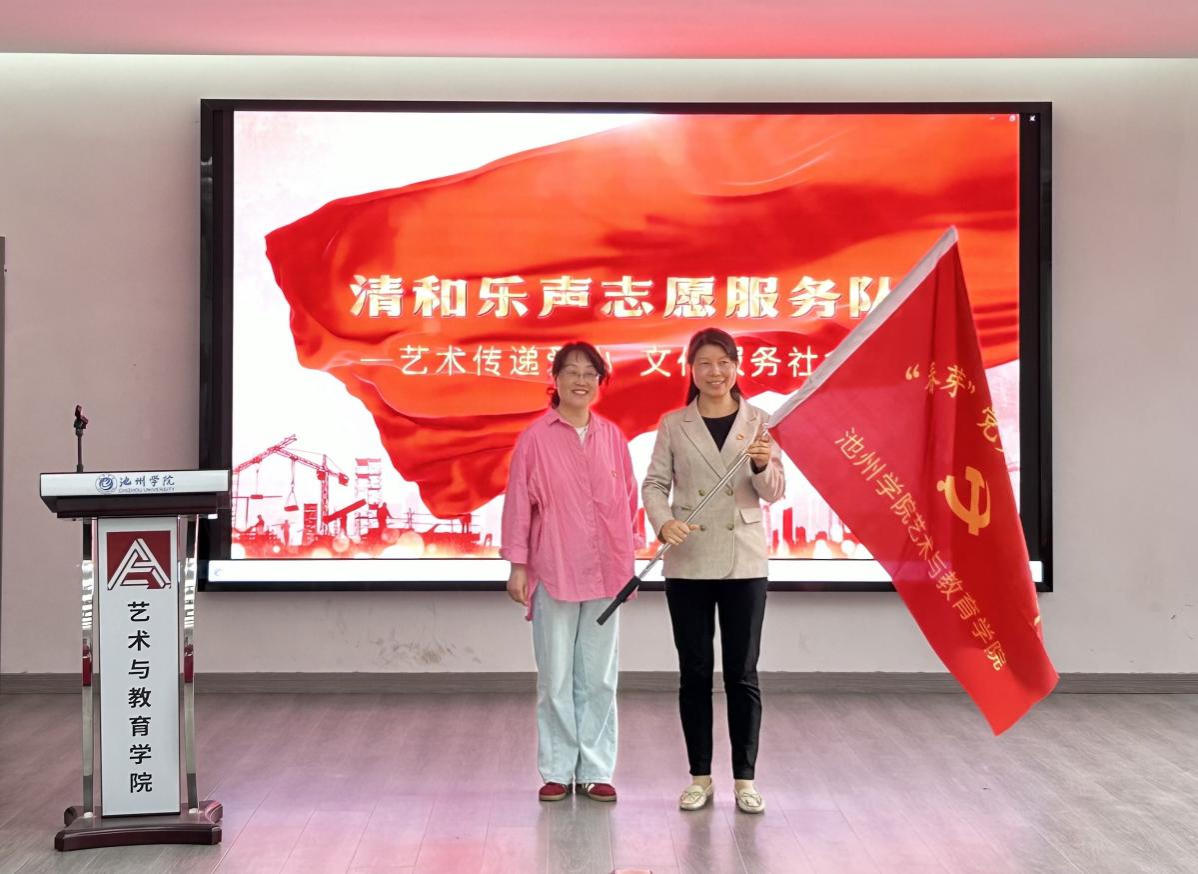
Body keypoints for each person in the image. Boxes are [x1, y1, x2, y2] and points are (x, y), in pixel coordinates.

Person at [642, 327, 785, 815]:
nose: (715, 372)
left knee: (742, 674)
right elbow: (654, 484)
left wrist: (763, 467)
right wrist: (663, 522)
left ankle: (745, 779)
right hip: (689, 558)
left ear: (737, 367)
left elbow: (774, 492)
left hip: (744, 559)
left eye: (723, 362)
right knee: (695, 672)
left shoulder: (760, 421)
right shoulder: (673, 424)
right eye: (704, 363)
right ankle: (699, 777)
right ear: (691, 369)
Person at [500, 342, 638, 804]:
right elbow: (519, 506)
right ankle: (558, 770)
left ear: (600, 382)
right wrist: (518, 565)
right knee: (555, 677)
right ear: (555, 380)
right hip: (554, 569)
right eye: (572, 372)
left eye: (590, 373)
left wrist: (628, 562)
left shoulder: (612, 438)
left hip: (606, 575)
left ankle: (595, 769)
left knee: (599, 677)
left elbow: (628, 504)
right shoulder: (535, 439)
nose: (581, 380)